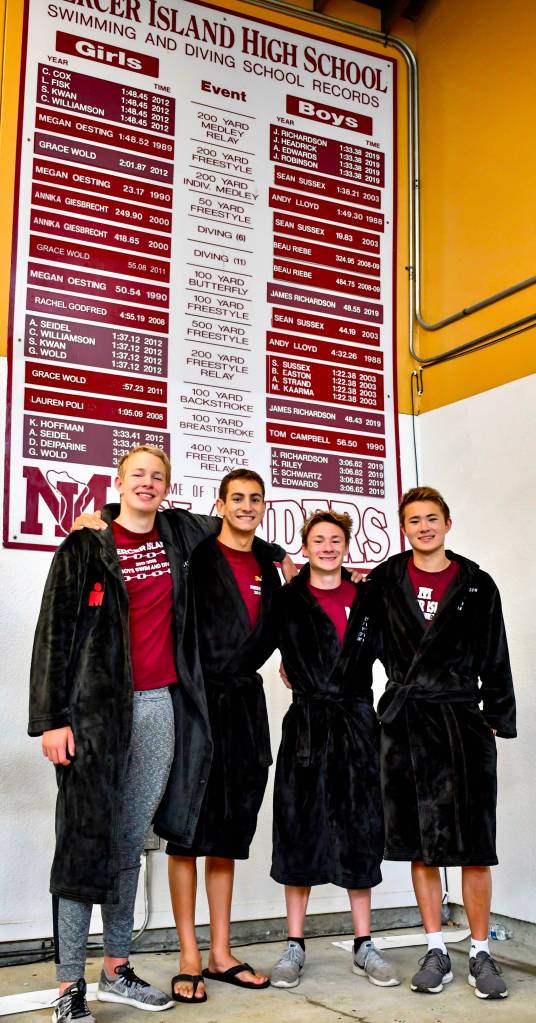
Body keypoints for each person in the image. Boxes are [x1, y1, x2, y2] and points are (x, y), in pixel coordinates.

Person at [29, 446, 197, 1023]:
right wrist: (51, 720)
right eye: (138, 475)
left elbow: (237, 533)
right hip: (93, 714)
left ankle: (117, 968)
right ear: (118, 482)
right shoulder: (86, 545)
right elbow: (53, 632)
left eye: (158, 477)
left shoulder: (177, 540)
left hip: (156, 709)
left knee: (129, 845)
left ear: (167, 489)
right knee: (84, 844)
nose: (148, 484)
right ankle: (68, 986)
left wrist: (289, 560)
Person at [369, 486, 516, 1000]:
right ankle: (436, 947)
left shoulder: (477, 585)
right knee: (422, 845)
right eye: (414, 520)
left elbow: (495, 652)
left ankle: (480, 952)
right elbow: (360, 640)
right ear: (402, 528)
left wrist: (497, 714)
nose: (424, 527)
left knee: (474, 844)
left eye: (432, 518)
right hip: (408, 723)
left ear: (448, 524)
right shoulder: (386, 580)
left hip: (460, 719)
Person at [261, 511, 400, 990]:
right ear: (305, 545)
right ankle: (294, 943)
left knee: (360, 827)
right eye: (318, 540)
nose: (326, 547)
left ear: (346, 545)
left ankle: (365, 943)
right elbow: (256, 645)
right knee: (298, 827)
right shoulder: (287, 599)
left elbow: (400, 655)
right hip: (306, 726)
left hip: (358, 724)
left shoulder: (367, 597)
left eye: (335, 540)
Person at [157, 469, 280, 1002]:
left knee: (227, 834)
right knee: (186, 833)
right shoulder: (196, 557)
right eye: (238, 499)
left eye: (255, 499)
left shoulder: (270, 569)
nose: (247, 507)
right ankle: (189, 953)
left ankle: (221, 952)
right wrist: (98, 518)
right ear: (220, 504)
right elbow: (141, 522)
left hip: (243, 711)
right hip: (197, 705)